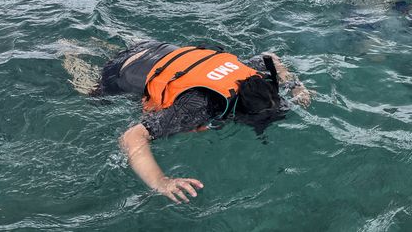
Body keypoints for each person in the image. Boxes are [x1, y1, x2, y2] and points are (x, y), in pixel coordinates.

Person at [69, 40, 310, 203]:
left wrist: (296, 86)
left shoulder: (250, 74)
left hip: (157, 48)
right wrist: (161, 182)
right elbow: (132, 136)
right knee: (88, 90)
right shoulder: (198, 107)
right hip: (122, 71)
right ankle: (66, 51)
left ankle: (86, 44)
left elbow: (270, 57)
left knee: (108, 47)